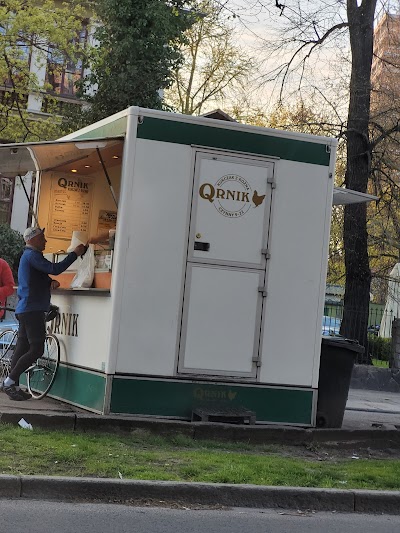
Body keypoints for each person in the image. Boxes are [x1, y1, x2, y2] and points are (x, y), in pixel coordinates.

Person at [0, 227, 86, 401]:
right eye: (42, 238)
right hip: (33, 310)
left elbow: (35, 277)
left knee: (22, 348)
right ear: (32, 239)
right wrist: (75, 254)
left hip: (26, 309)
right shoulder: (32, 255)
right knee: (37, 349)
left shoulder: (28, 256)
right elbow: (55, 268)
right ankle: (8, 382)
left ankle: (12, 385)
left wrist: (49, 282)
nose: (45, 241)